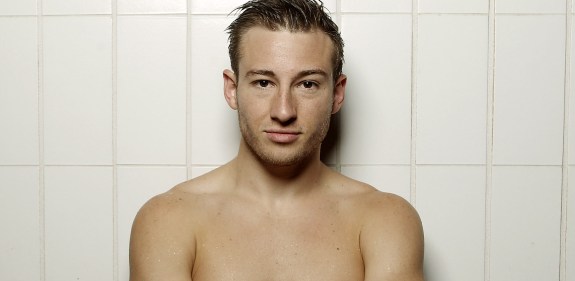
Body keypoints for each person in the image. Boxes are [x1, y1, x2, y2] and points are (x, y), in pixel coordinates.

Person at [129, 0, 424, 280]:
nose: (283, 111)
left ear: (336, 94)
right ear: (232, 90)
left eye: (307, 84)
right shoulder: (168, 220)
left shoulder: (384, 221)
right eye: (263, 82)